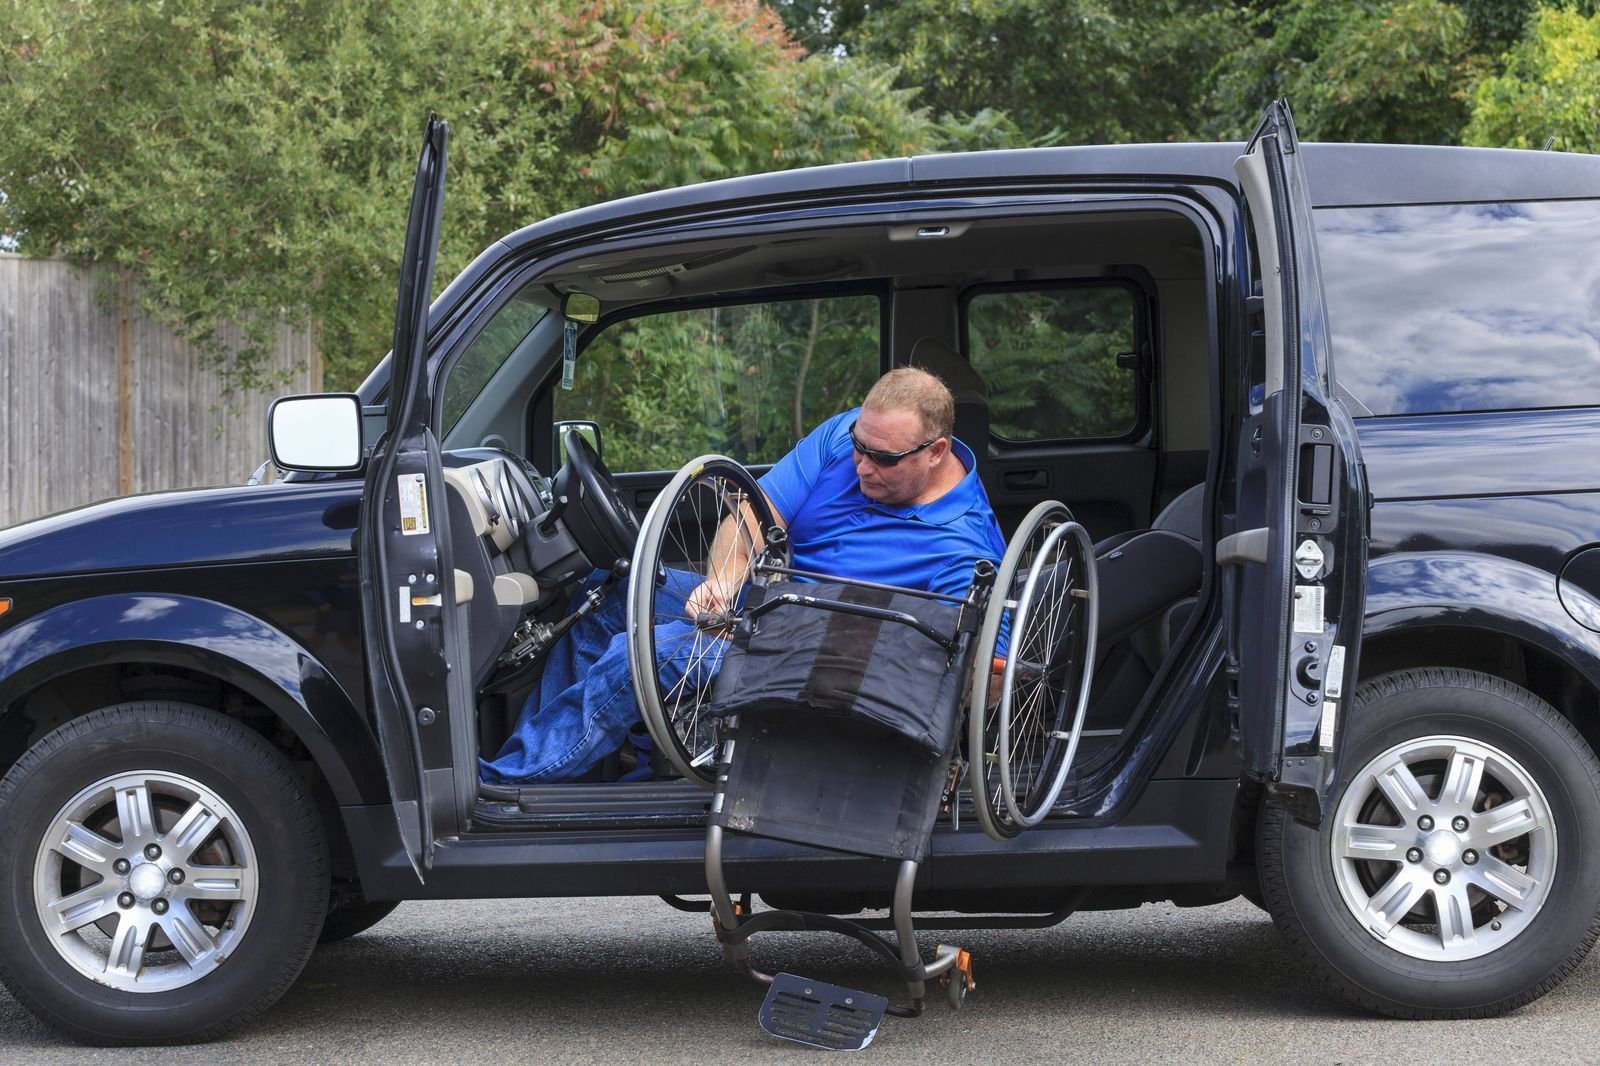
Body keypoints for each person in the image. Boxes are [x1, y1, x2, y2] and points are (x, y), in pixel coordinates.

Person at [480, 366, 1005, 784]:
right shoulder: (849, 438)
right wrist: (725, 583)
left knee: (644, 653)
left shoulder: (963, 546)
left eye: (882, 459)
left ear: (936, 452)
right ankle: (558, 759)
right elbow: (756, 511)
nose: (862, 466)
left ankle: (513, 784)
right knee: (615, 589)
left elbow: (983, 676)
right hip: (767, 605)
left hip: (821, 657)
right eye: (859, 447)